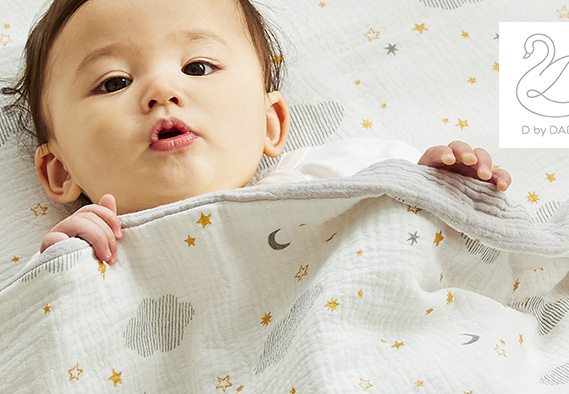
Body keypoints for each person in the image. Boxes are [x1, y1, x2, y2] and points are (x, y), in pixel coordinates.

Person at [2, 0, 512, 267]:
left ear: (271, 123)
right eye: (114, 81)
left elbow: (427, 246)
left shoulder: (331, 177)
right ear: (60, 170)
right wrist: (60, 270)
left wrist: (442, 189)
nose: (161, 90)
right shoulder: (90, 257)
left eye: (197, 67)